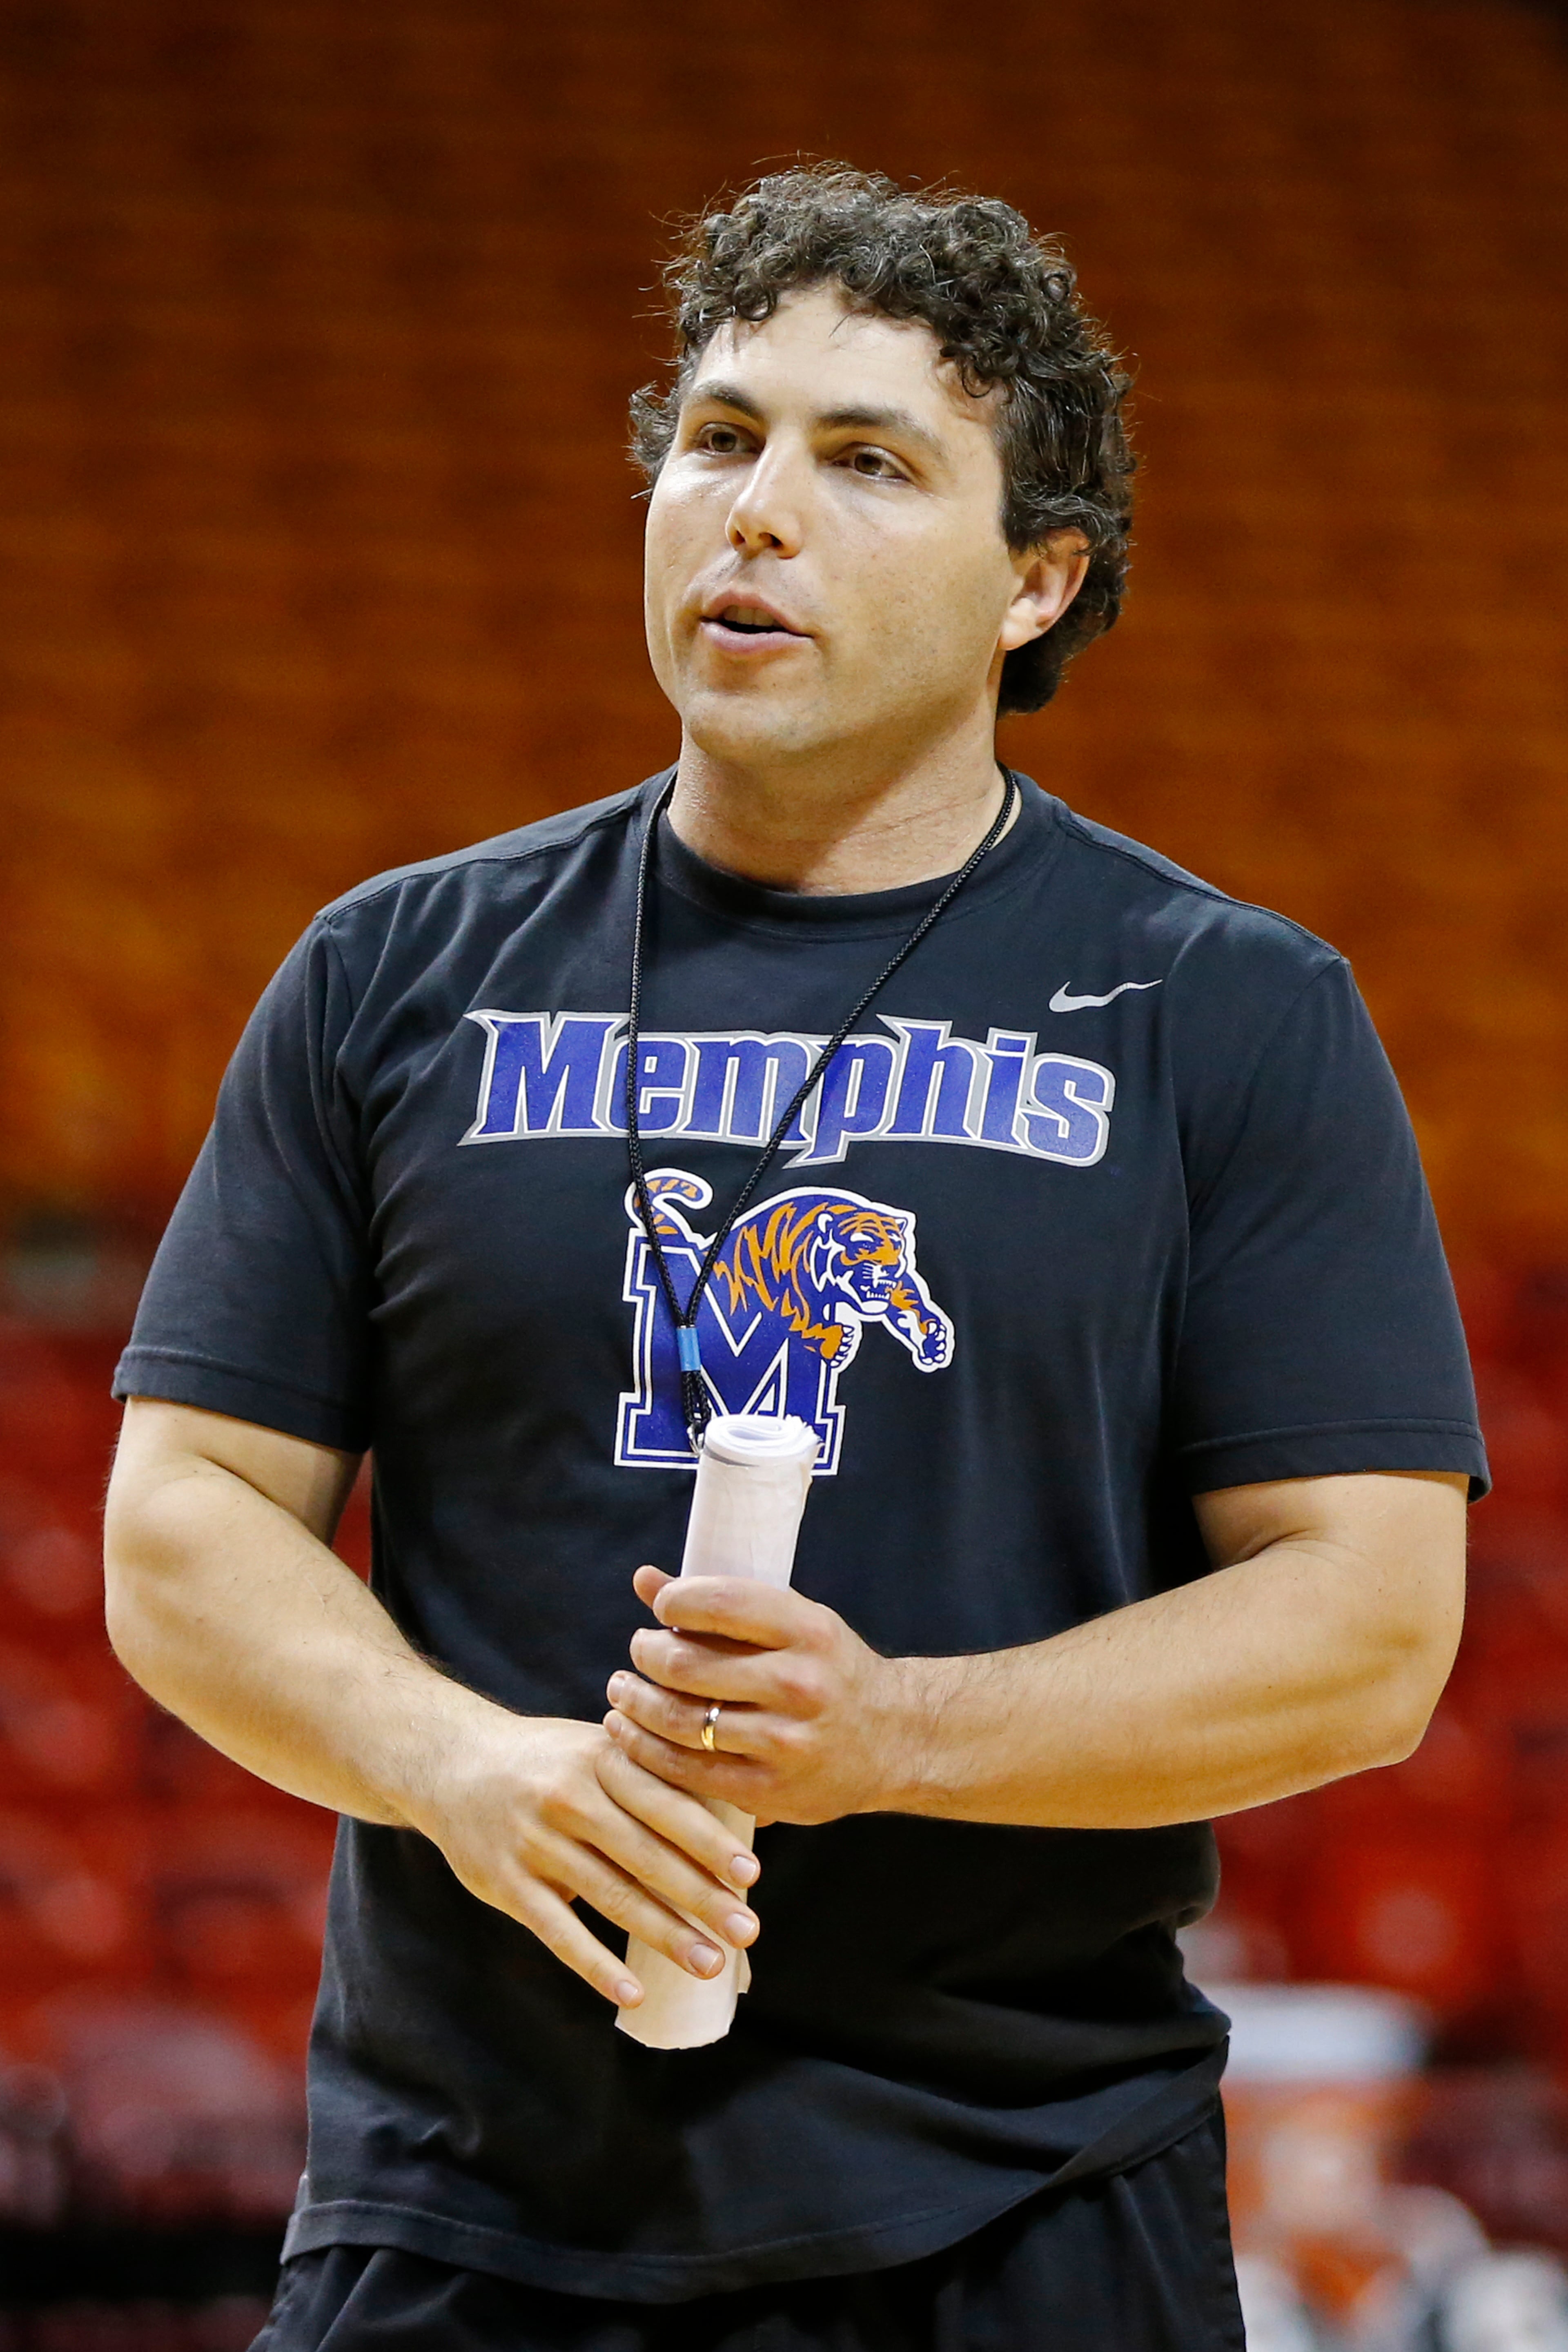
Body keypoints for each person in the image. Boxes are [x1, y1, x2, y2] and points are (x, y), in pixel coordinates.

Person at [102, 165, 1485, 2352]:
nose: (754, 511)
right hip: (462, 2214)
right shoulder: (393, 973)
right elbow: (182, 1522)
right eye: (719, 437)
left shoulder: (1226, 1009)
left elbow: (1372, 1628)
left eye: (869, 462)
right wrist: (467, 1769)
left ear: (1038, 580)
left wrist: (895, 1733)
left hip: (1025, 2211)